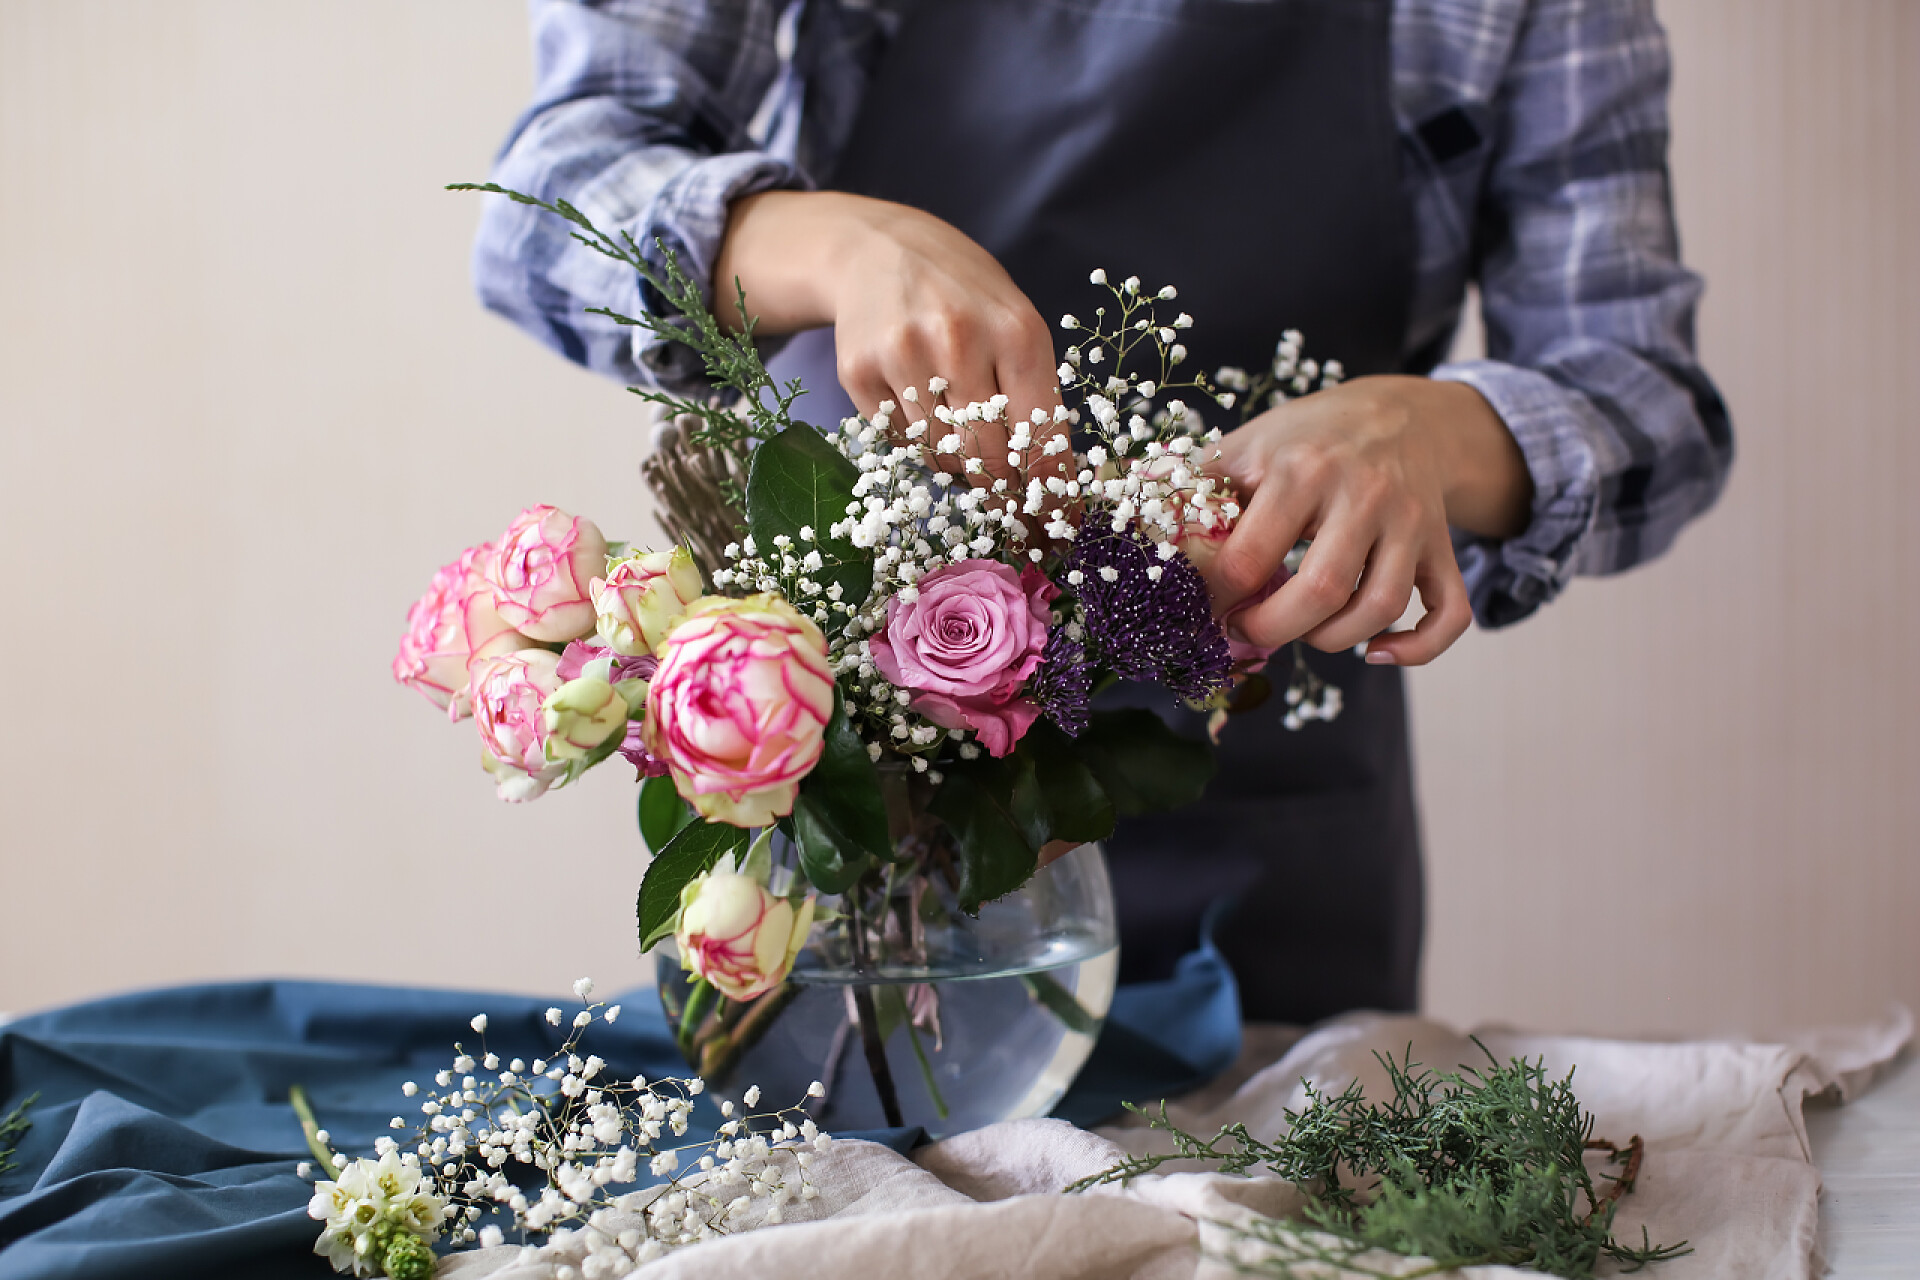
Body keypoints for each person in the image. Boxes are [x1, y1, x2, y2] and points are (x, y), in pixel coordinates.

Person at [472, 0, 1731, 1024]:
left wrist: (1428, 430)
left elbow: (1648, 395)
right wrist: (830, 241)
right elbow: (549, 190)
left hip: (1276, 839)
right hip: (861, 841)